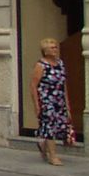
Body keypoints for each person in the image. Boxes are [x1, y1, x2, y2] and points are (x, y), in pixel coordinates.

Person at [30, 37, 74, 166]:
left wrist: (67, 104)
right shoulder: (41, 65)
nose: (55, 49)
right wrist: (37, 105)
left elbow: (63, 84)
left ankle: (43, 144)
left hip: (59, 100)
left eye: (55, 47)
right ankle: (52, 156)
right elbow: (33, 85)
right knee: (50, 127)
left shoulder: (60, 63)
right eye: (52, 47)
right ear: (45, 50)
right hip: (46, 100)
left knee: (59, 126)